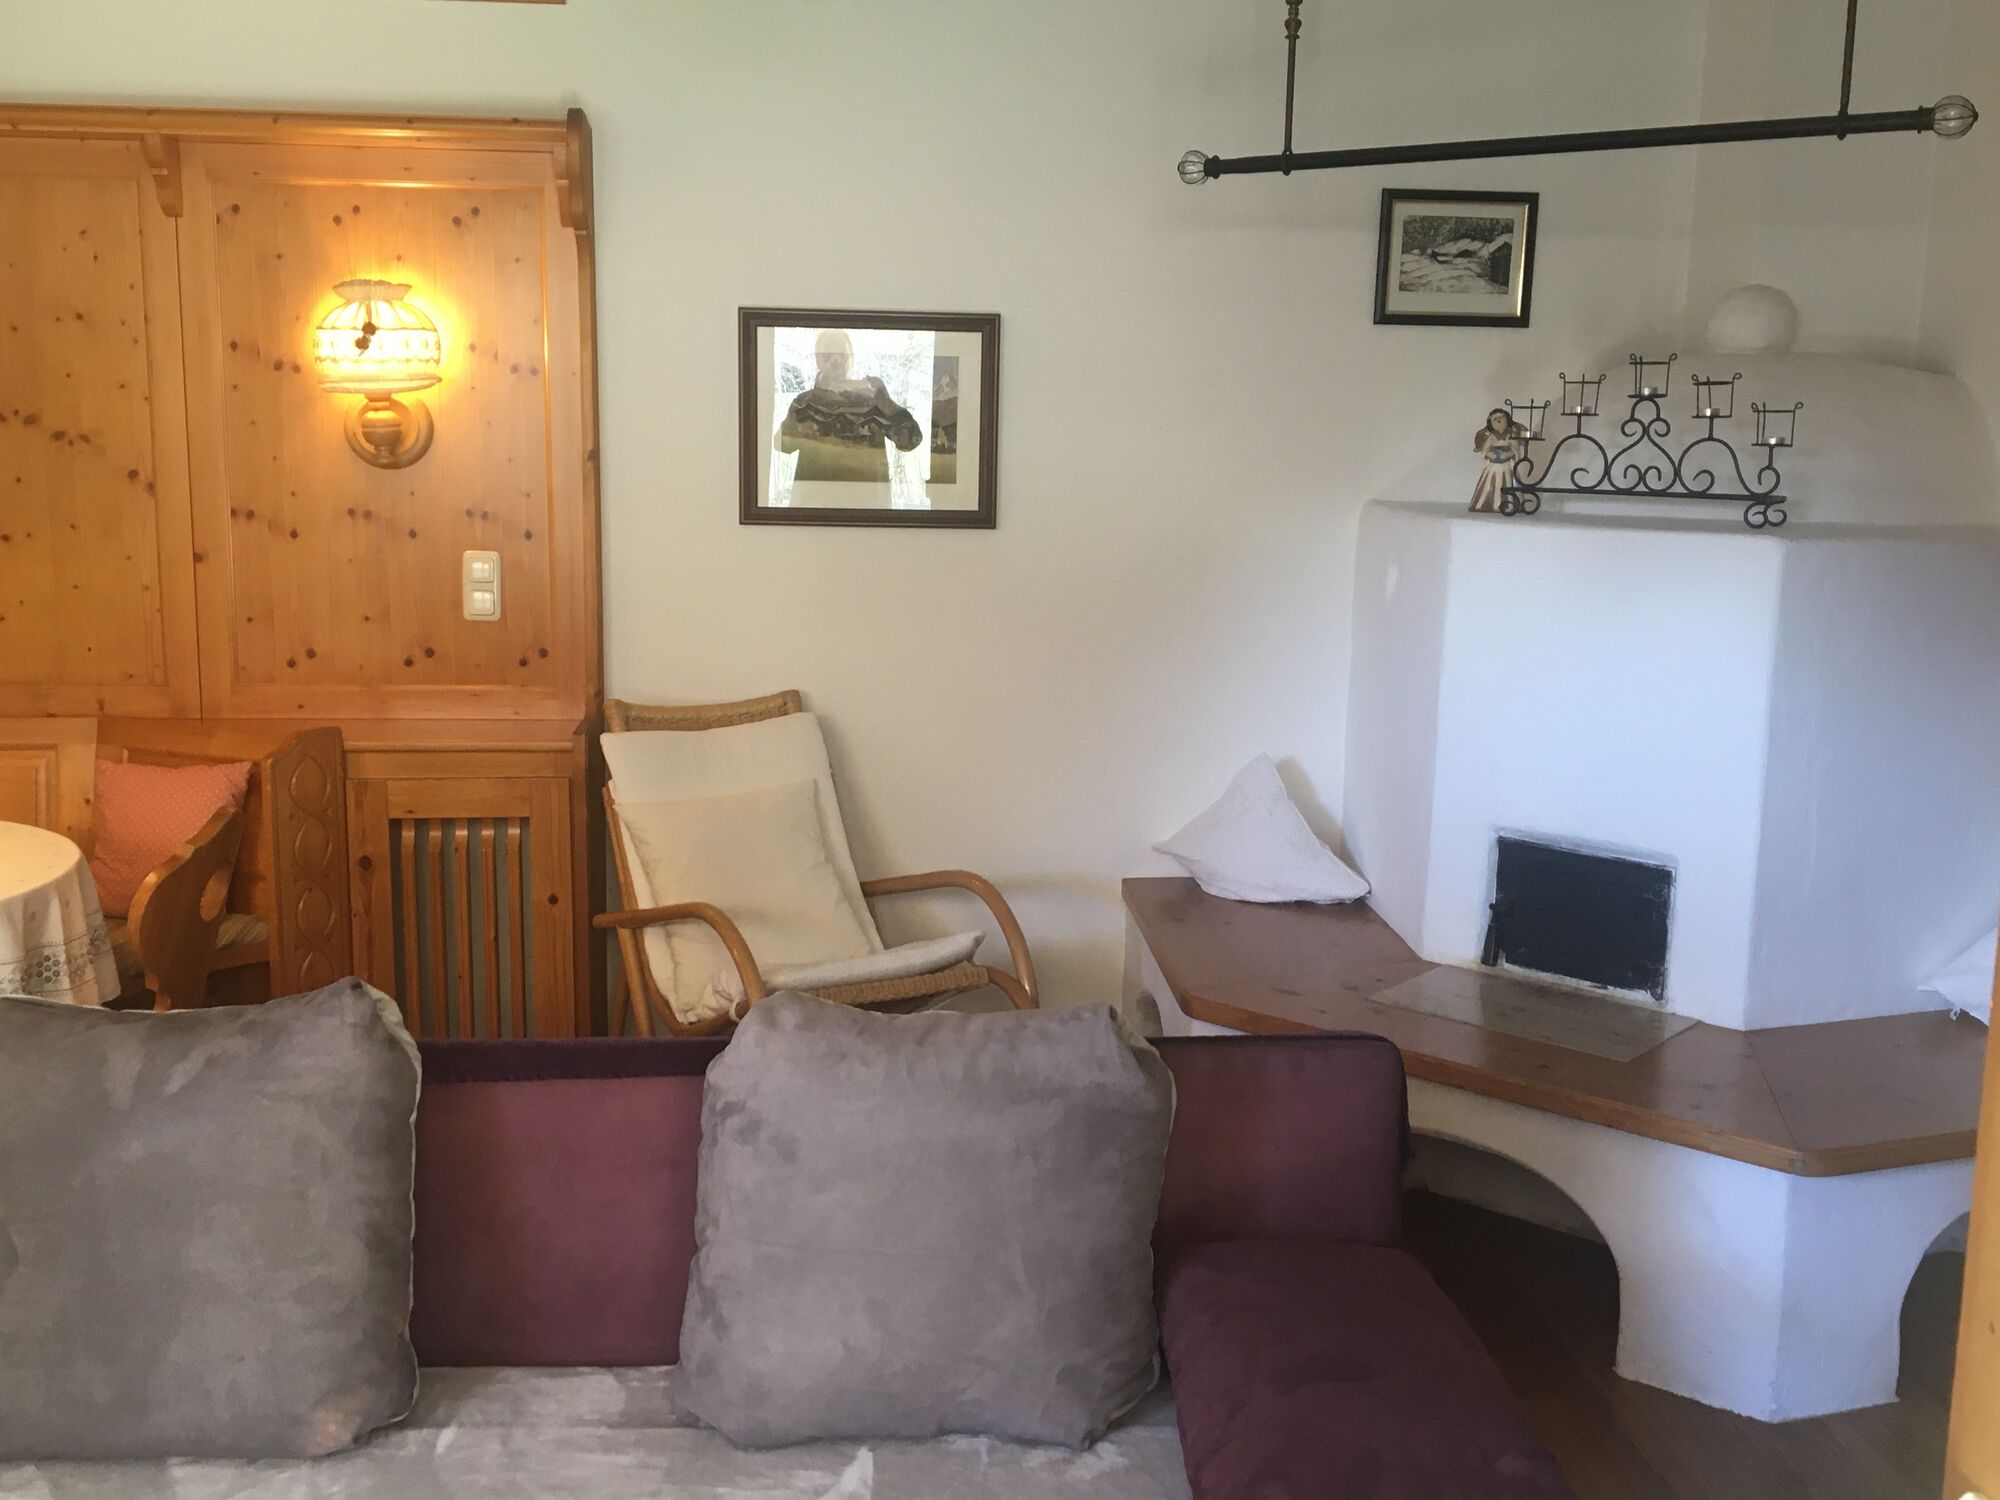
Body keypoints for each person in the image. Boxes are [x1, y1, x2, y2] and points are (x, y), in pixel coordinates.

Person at [777, 330, 922, 484]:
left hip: (864, 496)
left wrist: (887, 404)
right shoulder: (805, 404)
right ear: (817, 360)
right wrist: (802, 427)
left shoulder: (872, 402)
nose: (836, 361)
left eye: (842, 355)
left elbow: (909, 441)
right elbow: (781, 445)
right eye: (828, 355)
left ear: (851, 358)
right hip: (816, 496)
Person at [1469, 407, 1524, 513]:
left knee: (1508, 482)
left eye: (1501, 417)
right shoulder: (1491, 436)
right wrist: (1489, 455)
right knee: (1490, 483)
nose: (1498, 420)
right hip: (1493, 466)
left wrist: (1508, 454)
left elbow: (1515, 449)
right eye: (1495, 419)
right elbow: (1485, 449)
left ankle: (1509, 504)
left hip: (1506, 465)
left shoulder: (1510, 435)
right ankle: (1490, 503)